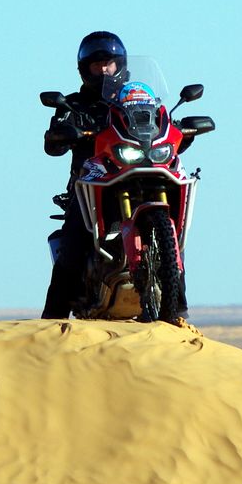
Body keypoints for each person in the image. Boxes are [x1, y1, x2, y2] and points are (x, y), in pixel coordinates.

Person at [41, 32, 192, 325]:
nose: (104, 70)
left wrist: (181, 131)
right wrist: (63, 133)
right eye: (96, 65)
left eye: (108, 63)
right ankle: (51, 319)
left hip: (142, 172)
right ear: (85, 69)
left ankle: (180, 310)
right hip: (93, 183)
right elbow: (52, 144)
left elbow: (163, 124)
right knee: (73, 241)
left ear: (120, 64)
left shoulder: (139, 100)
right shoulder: (74, 104)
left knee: (174, 237)